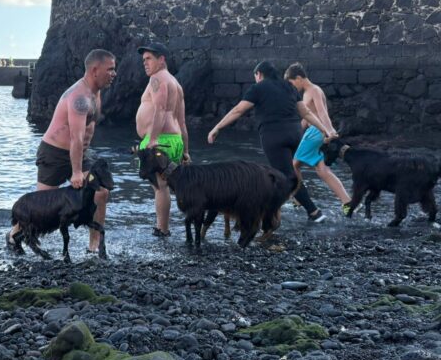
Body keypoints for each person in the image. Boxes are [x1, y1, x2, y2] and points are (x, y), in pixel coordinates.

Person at [7, 49, 116, 252]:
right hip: (54, 154)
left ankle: (94, 245)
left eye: (114, 69)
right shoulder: (79, 97)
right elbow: (75, 136)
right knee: (43, 209)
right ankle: (14, 235)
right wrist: (75, 172)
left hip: (81, 154)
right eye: (110, 69)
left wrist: (82, 162)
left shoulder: (96, 91)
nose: (114, 73)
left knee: (100, 193)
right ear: (95, 70)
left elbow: (84, 135)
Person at [207, 60, 338, 223]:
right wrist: (324, 129)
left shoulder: (258, 88)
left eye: (255, 76)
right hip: (295, 134)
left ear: (259, 74)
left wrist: (217, 128)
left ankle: (313, 212)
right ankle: (286, 204)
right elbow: (306, 112)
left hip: (274, 137)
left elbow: (238, 110)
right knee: (290, 171)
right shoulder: (289, 87)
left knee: (287, 176)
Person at [136, 43, 190, 237]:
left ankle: (162, 229)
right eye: (143, 60)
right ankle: (167, 226)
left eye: (149, 58)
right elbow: (182, 122)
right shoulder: (176, 83)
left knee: (160, 186)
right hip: (175, 140)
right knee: (165, 185)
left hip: (161, 140)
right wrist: (185, 150)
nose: (145, 63)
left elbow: (159, 110)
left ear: (162, 59)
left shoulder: (157, 79)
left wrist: (153, 139)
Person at [284, 63, 353, 213]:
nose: (291, 87)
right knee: (322, 170)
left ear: (299, 78)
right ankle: (347, 202)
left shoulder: (314, 90)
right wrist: (295, 133)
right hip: (314, 132)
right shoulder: (307, 92)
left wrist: (329, 131)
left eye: (291, 83)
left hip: (316, 132)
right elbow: (306, 118)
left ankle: (298, 197)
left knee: (294, 165)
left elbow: (322, 113)